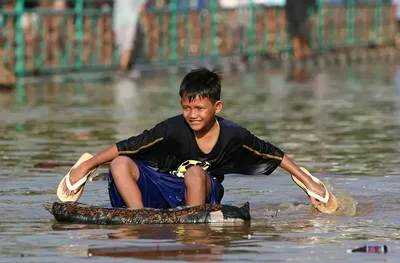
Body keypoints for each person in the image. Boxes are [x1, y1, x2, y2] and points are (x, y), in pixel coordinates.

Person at [64, 67, 333, 211]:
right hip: (164, 188)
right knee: (120, 163)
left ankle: (192, 219)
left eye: (199, 109)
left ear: (217, 107)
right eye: (186, 108)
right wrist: (87, 166)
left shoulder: (233, 135)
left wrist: (309, 182)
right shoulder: (172, 128)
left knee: (194, 172)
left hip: (202, 191)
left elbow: (272, 154)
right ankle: (139, 217)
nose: (192, 115)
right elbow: (130, 144)